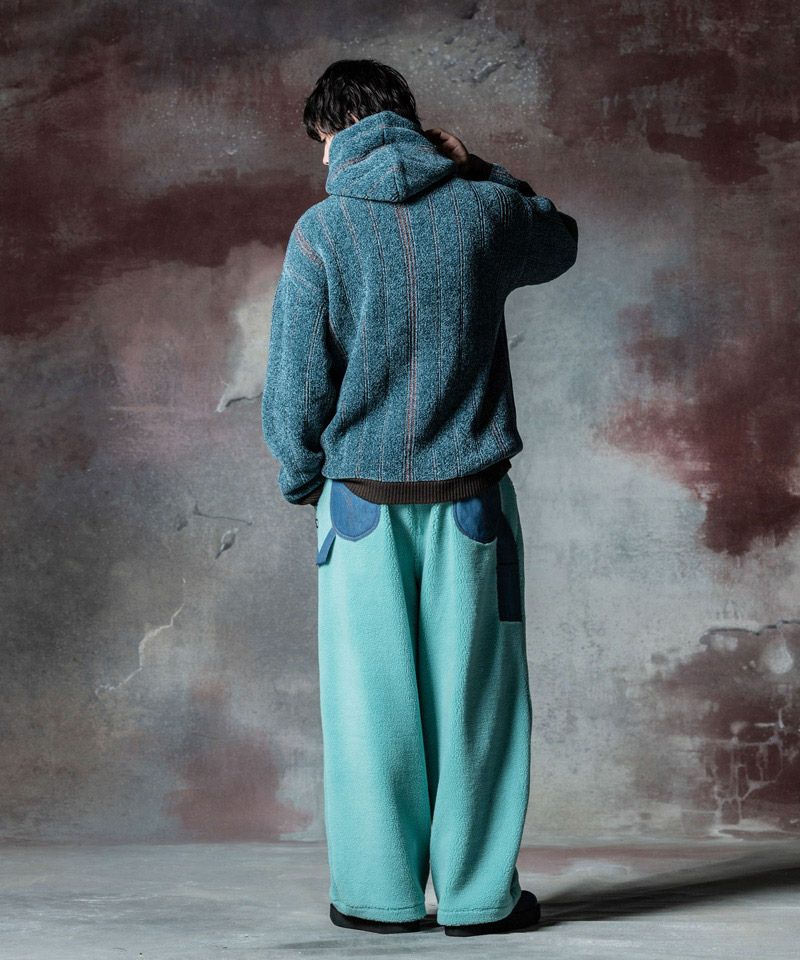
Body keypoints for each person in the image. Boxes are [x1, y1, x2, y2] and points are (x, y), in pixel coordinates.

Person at [261, 59, 578, 937]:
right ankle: (478, 901)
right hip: (473, 504)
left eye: (321, 145)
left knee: (370, 709)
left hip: (360, 508)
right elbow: (559, 239)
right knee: (478, 705)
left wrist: (305, 483)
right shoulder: (483, 210)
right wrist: (479, 166)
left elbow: (293, 390)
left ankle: (379, 896)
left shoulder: (321, 231)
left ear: (334, 136)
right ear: (408, 120)